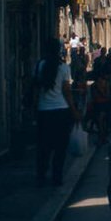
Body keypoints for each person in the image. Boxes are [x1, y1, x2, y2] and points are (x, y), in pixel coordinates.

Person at [32, 37, 80, 186]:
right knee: (60, 147)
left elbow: (35, 88)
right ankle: (57, 176)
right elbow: (67, 92)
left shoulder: (40, 65)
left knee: (44, 146)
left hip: (44, 111)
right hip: (61, 111)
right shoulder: (63, 68)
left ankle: (41, 174)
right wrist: (74, 111)